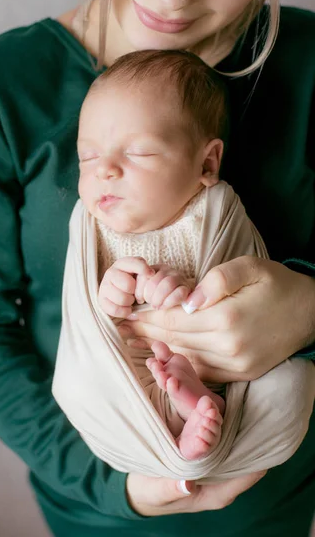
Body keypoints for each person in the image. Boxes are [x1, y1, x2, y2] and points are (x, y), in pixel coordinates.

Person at [0, 0, 315, 536]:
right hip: (102, 509)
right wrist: (116, 487)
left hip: (277, 497)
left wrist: (309, 308)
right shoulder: (3, 87)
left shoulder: (309, 63)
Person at [52, 47, 313, 480]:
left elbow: (239, 276)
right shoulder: (95, 228)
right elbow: (92, 312)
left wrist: (185, 290)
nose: (105, 171)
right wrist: (116, 290)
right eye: (88, 157)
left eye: (138, 153)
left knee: (288, 387)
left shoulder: (213, 212)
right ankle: (183, 414)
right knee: (82, 386)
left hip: (233, 359)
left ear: (207, 163)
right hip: (136, 369)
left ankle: (199, 409)